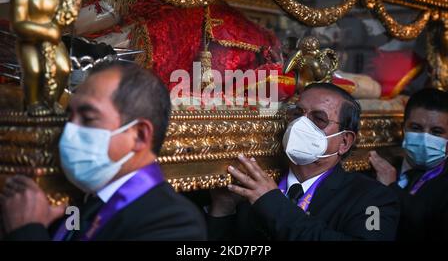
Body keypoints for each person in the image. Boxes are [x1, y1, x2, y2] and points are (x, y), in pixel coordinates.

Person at [0, 62, 207, 240]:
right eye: (68, 118)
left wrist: (27, 231)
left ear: (140, 135)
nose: (69, 132)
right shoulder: (83, 202)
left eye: (88, 119)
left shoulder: (172, 222)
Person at [207, 83, 400, 240]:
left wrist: (273, 204)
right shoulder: (253, 183)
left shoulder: (373, 198)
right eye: (297, 114)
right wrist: (223, 209)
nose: (300, 125)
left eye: (319, 119)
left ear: (344, 142)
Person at [369, 88, 448, 240]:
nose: (425, 138)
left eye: (436, 132)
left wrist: (392, 188)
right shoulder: (379, 168)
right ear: (403, 128)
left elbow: (427, 229)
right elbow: (370, 223)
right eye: (416, 128)